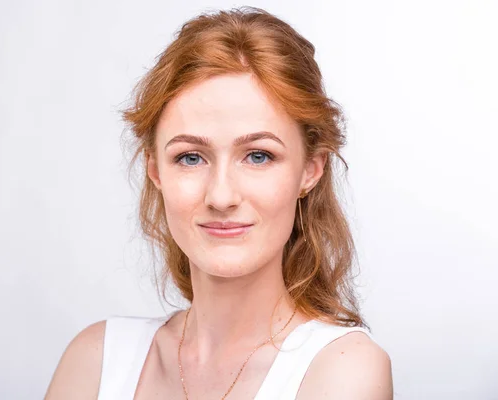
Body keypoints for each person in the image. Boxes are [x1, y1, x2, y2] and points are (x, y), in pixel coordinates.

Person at [45, 6, 393, 400]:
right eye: (190, 157)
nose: (221, 197)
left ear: (310, 170)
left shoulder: (343, 369)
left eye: (258, 156)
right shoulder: (95, 361)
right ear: (155, 170)